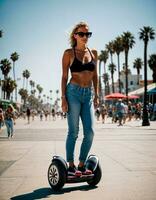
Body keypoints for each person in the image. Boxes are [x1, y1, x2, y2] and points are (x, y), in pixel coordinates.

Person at [61, 22, 99, 176]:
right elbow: (64, 77)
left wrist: (96, 94)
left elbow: (95, 75)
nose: (85, 37)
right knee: (73, 132)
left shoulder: (94, 52)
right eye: (82, 34)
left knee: (89, 132)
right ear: (75, 35)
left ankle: (82, 165)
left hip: (88, 94)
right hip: (73, 93)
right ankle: (70, 166)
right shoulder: (68, 53)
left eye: (88, 34)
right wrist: (63, 98)